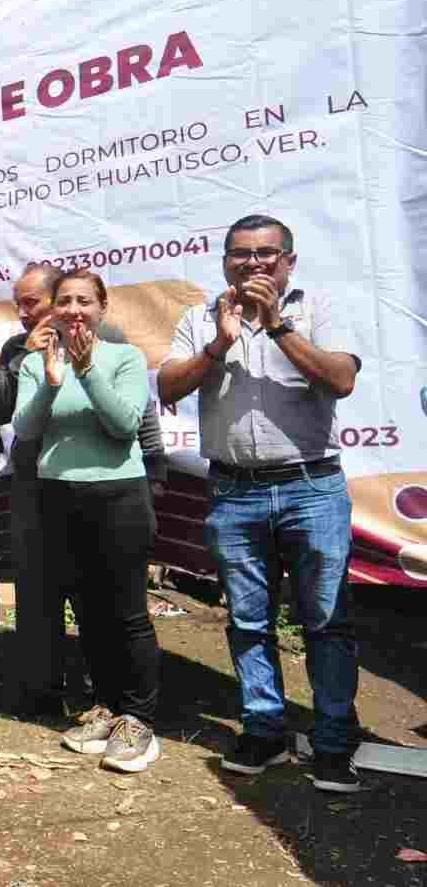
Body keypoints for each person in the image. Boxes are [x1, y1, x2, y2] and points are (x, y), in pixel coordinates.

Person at [157, 214, 362, 792]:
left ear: (288, 262)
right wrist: (220, 343)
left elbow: (340, 379)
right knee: (248, 621)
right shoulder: (201, 318)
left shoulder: (318, 307)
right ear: (224, 260)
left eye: (266, 253)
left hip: (311, 487)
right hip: (233, 491)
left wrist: (276, 326)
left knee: (326, 621)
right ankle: (265, 728)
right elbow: (169, 388)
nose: (253, 263)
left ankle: (334, 742)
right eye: (240, 253)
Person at [0, 264, 169, 717]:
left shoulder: (122, 355)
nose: (73, 310)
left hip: (116, 495)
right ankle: (85, 701)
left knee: (122, 612)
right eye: (65, 301)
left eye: (83, 301)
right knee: (68, 606)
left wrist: (86, 370)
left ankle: (136, 714)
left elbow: (129, 422)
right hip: (52, 496)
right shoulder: (28, 355)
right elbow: (19, 424)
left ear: (100, 307)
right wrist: (46, 376)